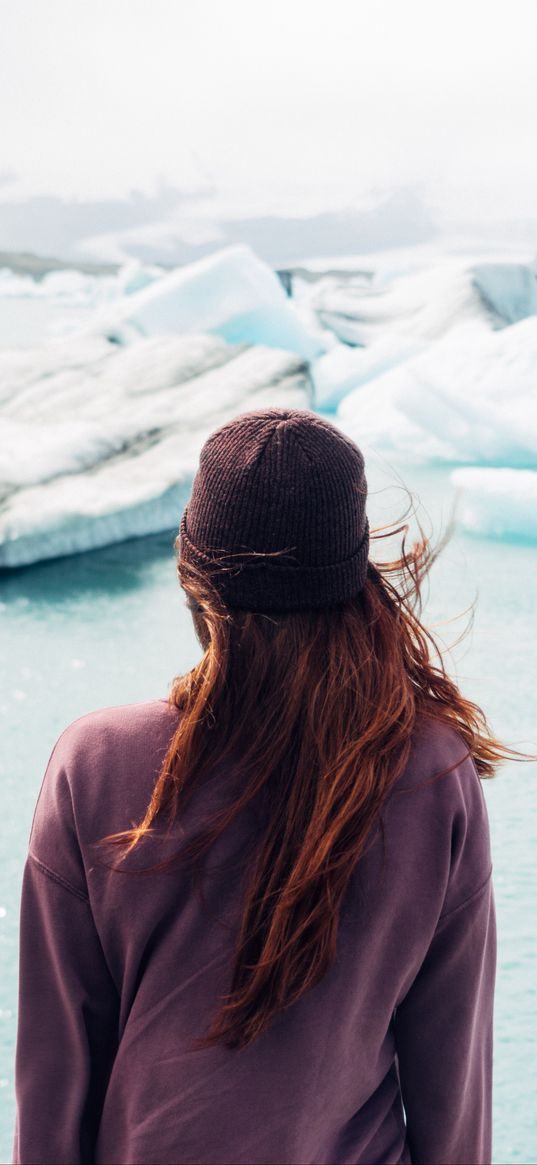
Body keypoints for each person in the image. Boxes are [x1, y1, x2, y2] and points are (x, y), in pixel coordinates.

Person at [13, 406, 513, 1165]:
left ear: (191, 580)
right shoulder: (429, 773)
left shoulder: (97, 761)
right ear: (352, 584)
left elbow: (56, 1074)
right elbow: (453, 1079)